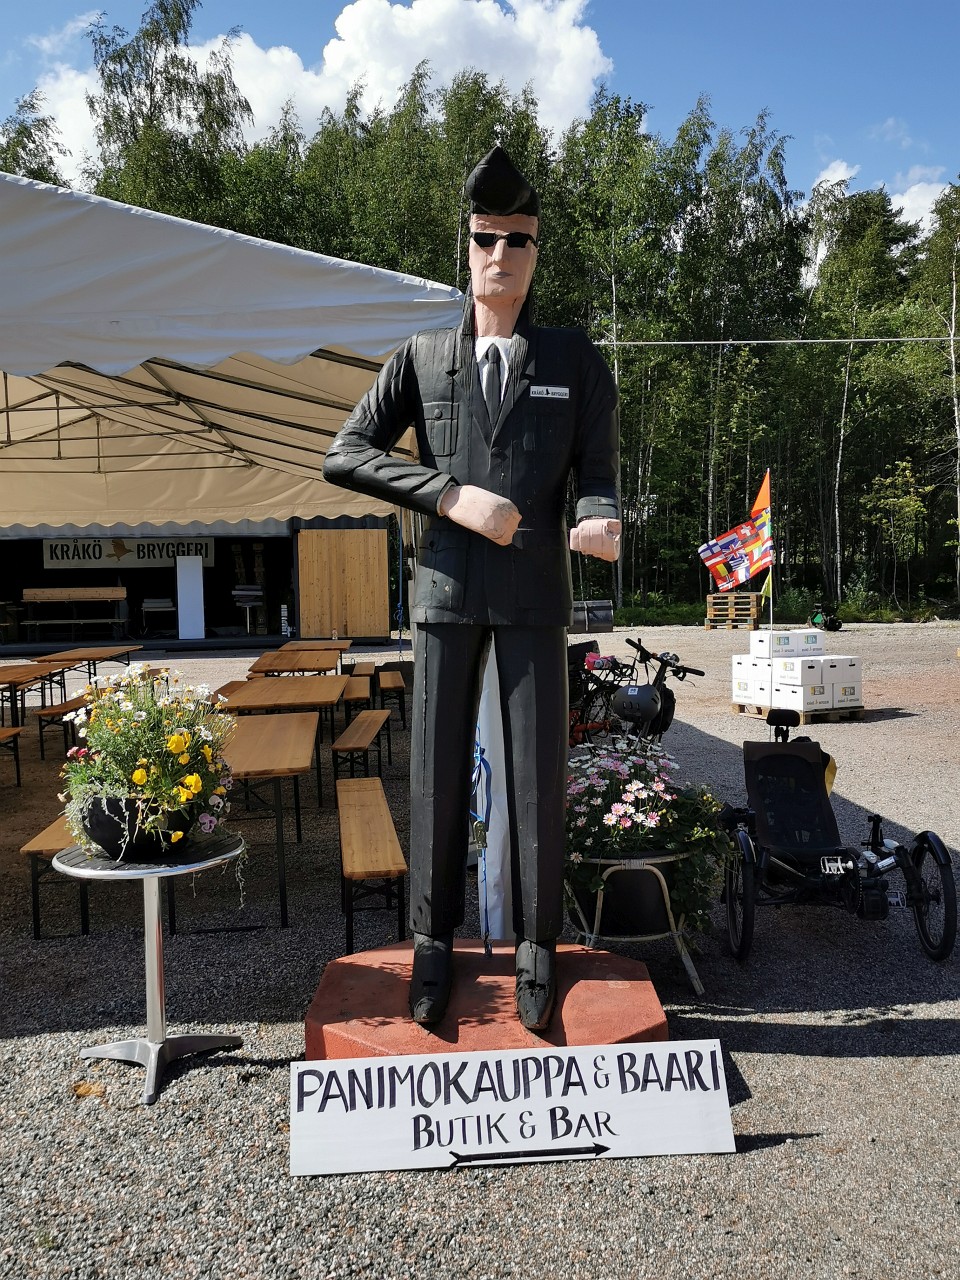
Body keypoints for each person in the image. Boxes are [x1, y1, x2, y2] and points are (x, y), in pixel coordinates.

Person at [323, 145, 620, 1030]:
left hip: (534, 592)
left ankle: (537, 946)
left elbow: (598, 472)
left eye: (518, 240)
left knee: (538, 775)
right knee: (436, 774)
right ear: (467, 246)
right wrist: (449, 495)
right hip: (446, 593)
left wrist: (600, 518)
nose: (501, 255)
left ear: (536, 252)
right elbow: (347, 453)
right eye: (487, 238)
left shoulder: (574, 359)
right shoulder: (421, 358)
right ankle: (431, 946)